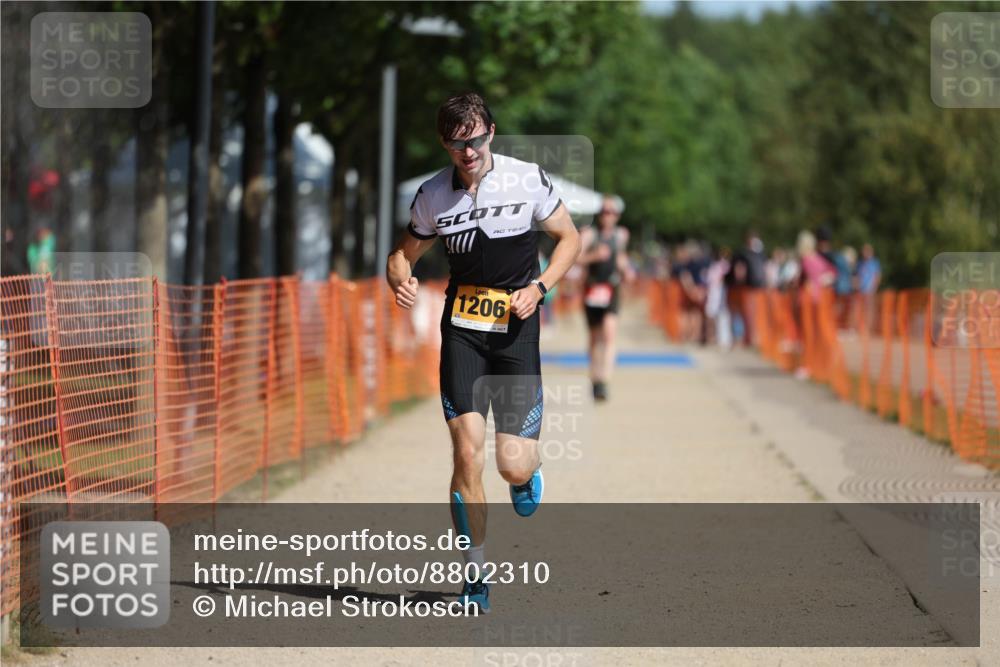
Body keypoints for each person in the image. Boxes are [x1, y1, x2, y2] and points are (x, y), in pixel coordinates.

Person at [386, 93, 580, 612]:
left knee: (511, 465)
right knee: (466, 452)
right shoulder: (432, 195)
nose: (466, 151)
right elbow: (401, 256)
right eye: (455, 143)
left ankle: (525, 475)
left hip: (517, 330)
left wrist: (540, 288)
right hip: (464, 333)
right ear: (445, 144)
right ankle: (475, 573)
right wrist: (399, 279)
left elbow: (569, 239)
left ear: (490, 132)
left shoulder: (526, 177)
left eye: (473, 139)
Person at [576, 195, 633, 401]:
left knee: (609, 335)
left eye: (611, 212)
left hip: (612, 288)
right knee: (594, 338)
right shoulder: (590, 235)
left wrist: (626, 269)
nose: (607, 216)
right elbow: (575, 258)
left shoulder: (621, 235)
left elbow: (621, 257)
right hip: (592, 289)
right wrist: (594, 256)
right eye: (604, 212)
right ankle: (594, 376)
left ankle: (604, 380)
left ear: (617, 216)